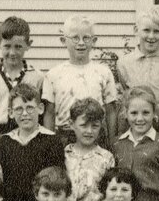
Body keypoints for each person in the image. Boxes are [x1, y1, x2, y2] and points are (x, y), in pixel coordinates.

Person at [42, 14, 119, 144]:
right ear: (63, 40)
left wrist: (112, 142)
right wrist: (49, 144)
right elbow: (49, 113)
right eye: (75, 38)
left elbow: (111, 111)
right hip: (65, 137)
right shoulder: (53, 75)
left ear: (94, 41)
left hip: (95, 135)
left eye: (86, 38)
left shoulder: (103, 72)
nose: (81, 43)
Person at [0, 83, 65, 201]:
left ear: (40, 109)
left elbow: (57, 178)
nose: (25, 113)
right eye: (19, 109)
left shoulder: (52, 140)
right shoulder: (5, 141)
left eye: (30, 108)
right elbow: (1, 179)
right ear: (10, 112)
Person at [116, 5, 159, 136]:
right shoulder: (124, 63)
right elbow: (126, 96)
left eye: (157, 31)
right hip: (135, 126)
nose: (151, 36)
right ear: (136, 30)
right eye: (146, 30)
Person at [0, 16, 45, 147]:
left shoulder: (37, 77)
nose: (12, 52)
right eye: (7, 46)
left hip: (27, 137)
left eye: (18, 47)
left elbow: (40, 114)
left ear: (28, 45)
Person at [112, 86, 159, 201]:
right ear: (125, 113)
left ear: (154, 113)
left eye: (146, 113)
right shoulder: (116, 143)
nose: (140, 119)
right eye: (134, 113)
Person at [64, 98, 115, 201]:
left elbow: (111, 191)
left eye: (95, 126)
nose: (89, 131)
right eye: (83, 125)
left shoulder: (106, 158)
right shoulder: (64, 154)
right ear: (71, 124)